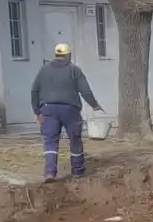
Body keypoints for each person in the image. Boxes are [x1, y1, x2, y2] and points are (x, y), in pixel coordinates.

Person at [30, 43, 103, 182]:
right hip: (71, 110)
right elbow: (85, 90)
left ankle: (50, 173)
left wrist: (37, 111)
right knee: (75, 139)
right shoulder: (74, 70)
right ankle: (78, 171)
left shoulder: (44, 70)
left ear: (56, 55)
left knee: (50, 141)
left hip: (48, 109)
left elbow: (34, 91)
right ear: (68, 55)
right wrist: (94, 105)